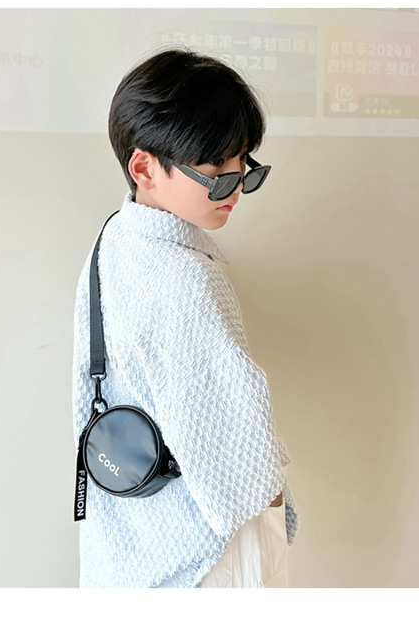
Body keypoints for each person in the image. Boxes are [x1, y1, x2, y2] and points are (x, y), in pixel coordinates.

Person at [72, 48, 299, 588]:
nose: (235, 188)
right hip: (211, 551)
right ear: (144, 167)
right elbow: (234, 436)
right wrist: (273, 504)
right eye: (216, 172)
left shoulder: (112, 243)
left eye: (244, 166)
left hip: (139, 540)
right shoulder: (182, 275)